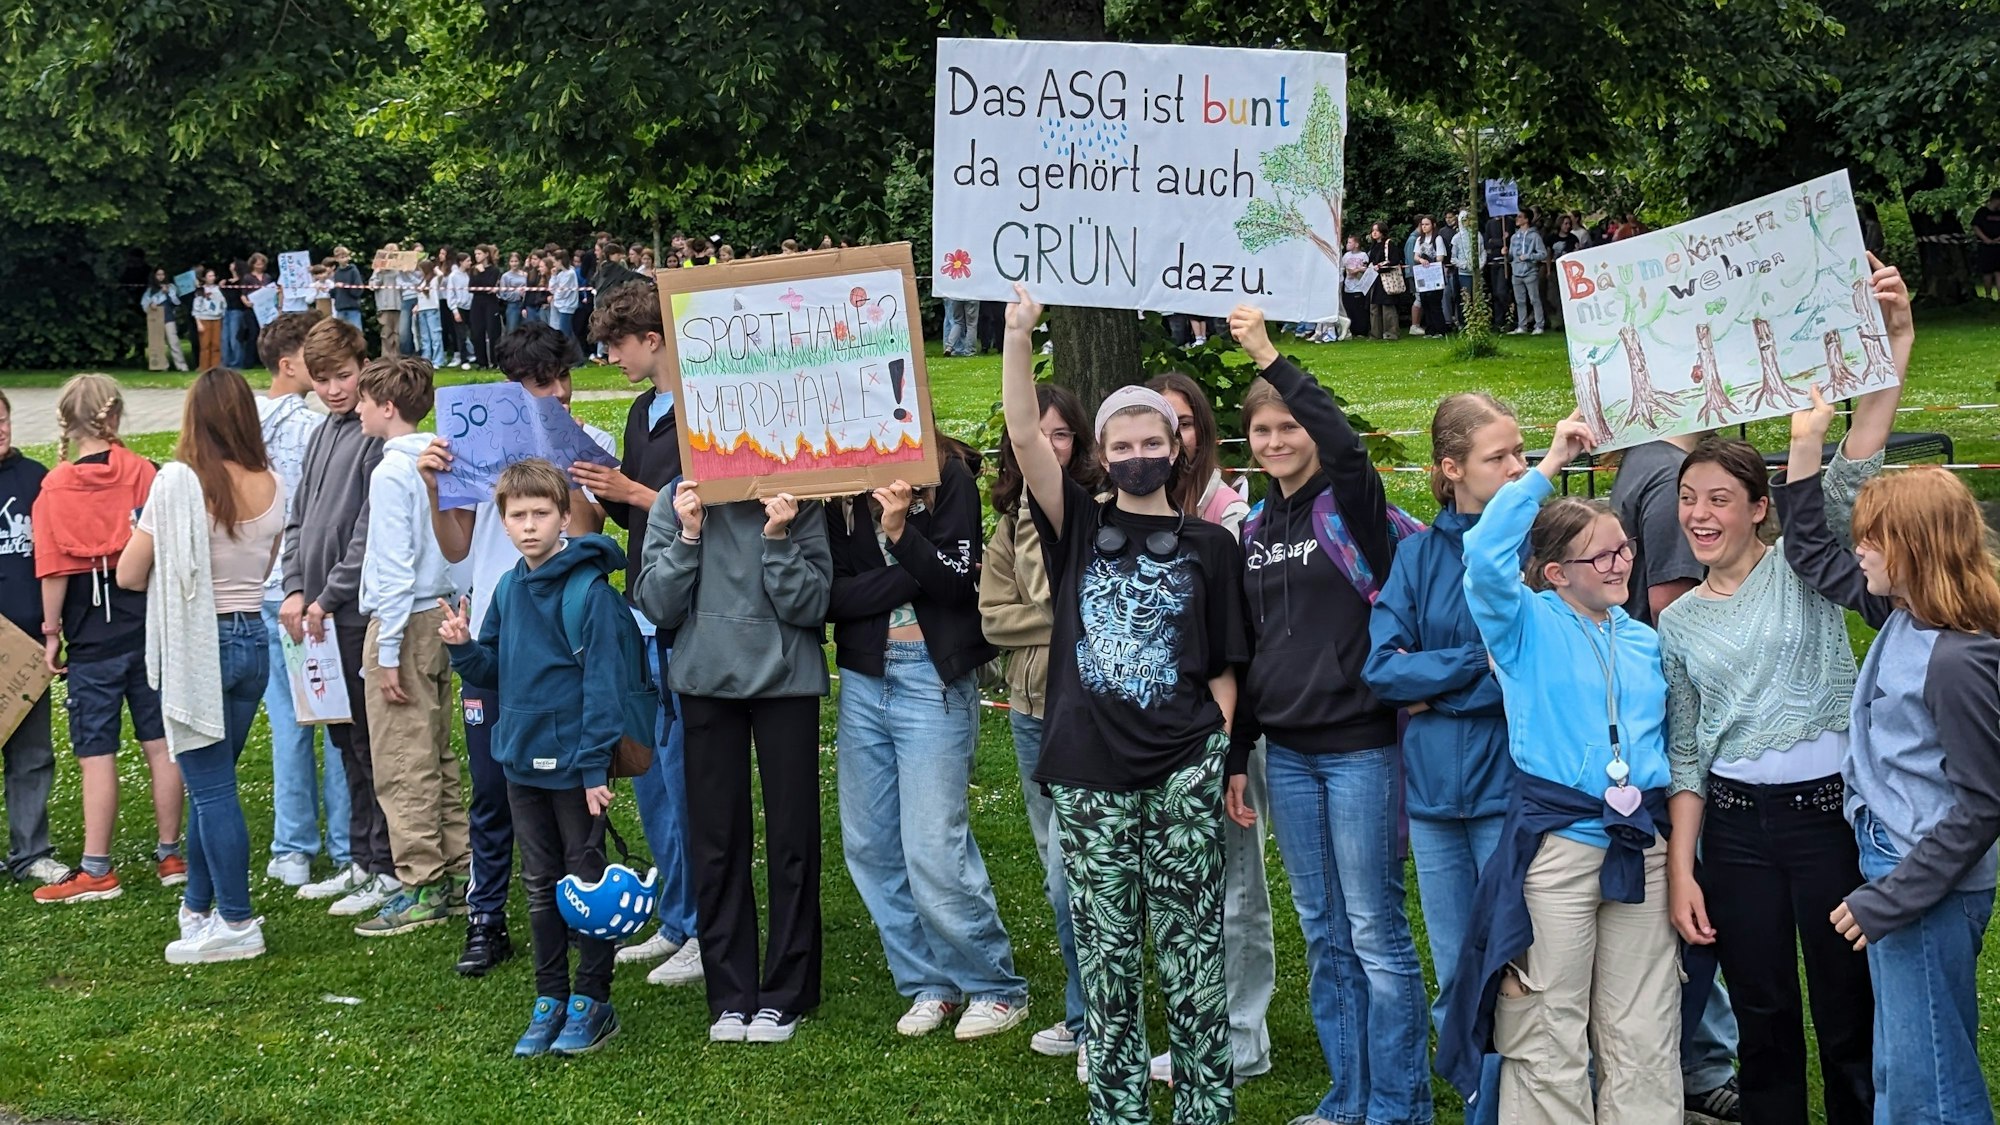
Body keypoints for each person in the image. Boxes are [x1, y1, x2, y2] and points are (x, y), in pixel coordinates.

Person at [1003, 283, 1249, 1125]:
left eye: (1155, 437)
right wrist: (1015, 334)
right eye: (1124, 441)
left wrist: (1226, 757)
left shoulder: (1212, 547)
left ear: (1177, 447)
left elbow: (1225, 670)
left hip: (1184, 766)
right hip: (1089, 769)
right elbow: (1024, 437)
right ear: (1102, 454)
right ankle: (1118, 1109)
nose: (1140, 450)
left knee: (1193, 950)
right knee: (1108, 954)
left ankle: (1205, 1107)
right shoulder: (1074, 524)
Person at [1440, 413, 1681, 1124]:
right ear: (1554, 573)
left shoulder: (1641, 639)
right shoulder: (1524, 626)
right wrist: (1545, 466)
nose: (1619, 565)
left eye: (1623, 550)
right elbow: (1483, 555)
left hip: (1643, 845)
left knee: (1644, 1021)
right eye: (1600, 557)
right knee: (1548, 1022)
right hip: (1562, 845)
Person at [1774, 394, 2000, 1124]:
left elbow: (1984, 804)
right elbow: (1810, 553)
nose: (1860, 549)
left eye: (1873, 538)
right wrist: (1806, 447)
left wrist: (1891, 898)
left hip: (1921, 877)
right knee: (1906, 1063)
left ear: (1913, 548)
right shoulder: (1901, 611)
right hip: (1898, 864)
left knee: (1928, 1075)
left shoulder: (1957, 660)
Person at [1229, 306, 1431, 1125]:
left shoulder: (1348, 509)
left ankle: (1400, 1106)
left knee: (1375, 929)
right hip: (1289, 754)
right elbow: (1243, 653)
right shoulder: (1252, 529)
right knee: (1324, 931)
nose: (1277, 439)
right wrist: (1241, 753)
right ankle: (1348, 1100)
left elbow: (1347, 448)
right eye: (1262, 429)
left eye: (1288, 425)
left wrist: (1271, 357)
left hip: (1361, 749)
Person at [419, 321, 614, 977]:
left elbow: (588, 535)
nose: (554, 393)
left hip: (562, 643)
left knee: (572, 784)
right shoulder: (480, 453)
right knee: (492, 782)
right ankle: (486, 917)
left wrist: (562, 459)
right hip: (495, 637)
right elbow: (454, 546)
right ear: (509, 391)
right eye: (536, 386)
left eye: (560, 380)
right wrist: (432, 484)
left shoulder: (591, 446)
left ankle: (581, 908)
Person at [1363, 392, 1528, 1125]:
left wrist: (1438, 679)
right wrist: (1473, 665)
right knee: (1457, 968)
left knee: (1516, 965)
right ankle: (1477, 1105)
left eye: (1522, 452)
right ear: (1451, 468)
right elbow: (1382, 669)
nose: (1519, 467)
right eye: (1501, 457)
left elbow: (1534, 671)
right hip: (1432, 800)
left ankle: (1516, 1106)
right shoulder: (1419, 555)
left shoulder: (1537, 548)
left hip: (1510, 790)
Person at [826, 439, 1027, 1040]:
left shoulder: (946, 474)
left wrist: (898, 535)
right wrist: (909, 572)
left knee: (934, 847)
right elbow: (831, 598)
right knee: (870, 844)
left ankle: (993, 987)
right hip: (863, 679)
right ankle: (927, 983)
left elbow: (955, 588)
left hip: (929, 679)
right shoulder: (835, 476)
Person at [631, 471, 833, 1045]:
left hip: (785, 683)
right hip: (705, 681)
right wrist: (688, 536)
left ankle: (788, 989)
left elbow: (814, 602)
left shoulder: (799, 494)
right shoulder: (678, 496)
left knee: (793, 838)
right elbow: (657, 605)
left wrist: (777, 537)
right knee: (716, 839)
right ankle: (730, 992)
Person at [441, 459, 631, 1057]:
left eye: (540, 514)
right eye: (517, 516)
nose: (529, 526)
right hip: (520, 763)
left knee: (587, 883)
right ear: (502, 521)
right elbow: (495, 669)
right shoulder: (506, 588)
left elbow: (605, 689)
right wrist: (463, 649)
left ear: (563, 516)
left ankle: (592, 1000)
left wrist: (596, 769)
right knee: (539, 885)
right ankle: (549, 996)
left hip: (577, 769)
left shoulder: (590, 593)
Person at [117, 368, 281, 962]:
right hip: (251, 641)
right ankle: (197, 907)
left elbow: (129, 574)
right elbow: (261, 572)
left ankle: (237, 922)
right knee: (216, 786)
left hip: (200, 646)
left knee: (212, 792)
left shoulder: (179, 483)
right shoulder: (272, 483)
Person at [570, 283, 703, 987]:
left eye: (618, 343)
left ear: (653, 339)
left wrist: (633, 493)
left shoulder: (700, 410)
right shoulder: (637, 414)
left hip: (687, 616)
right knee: (651, 777)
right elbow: (637, 524)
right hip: (640, 615)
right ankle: (677, 917)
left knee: (685, 782)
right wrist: (604, 496)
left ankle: (705, 925)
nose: (611, 356)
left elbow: (701, 514)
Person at [1148, 370, 1273, 1085]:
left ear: (1201, 431)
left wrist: (1228, 741)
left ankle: (1242, 1036)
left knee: (1234, 883)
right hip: (1156, 729)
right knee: (1181, 886)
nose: (1173, 435)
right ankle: (1202, 1025)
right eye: (1159, 422)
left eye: (1185, 421)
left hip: (1223, 725)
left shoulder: (1230, 512)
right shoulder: (1132, 511)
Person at [979, 382, 1103, 1062]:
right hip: (1029, 711)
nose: (1051, 445)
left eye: (1062, 435)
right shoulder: (1007, 522)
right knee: (1057, 865)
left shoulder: (1097, 514)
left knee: (1071, 870)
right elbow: (993, 616)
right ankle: (1084, 1012)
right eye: (1039, 433)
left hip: (1087, 712)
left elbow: (1079, 600)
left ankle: (1098, 1017)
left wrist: (1054, 615)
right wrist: (1059, 619)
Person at [31, 374, 185, 903]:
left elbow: (51, 570)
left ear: (68, 424)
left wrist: (51, 634)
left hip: (90, 638)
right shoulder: (145, 474)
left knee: (97, 753)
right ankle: (171, 854)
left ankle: (97, 868)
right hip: (146, 627)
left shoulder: (52, 488)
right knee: (161, 744)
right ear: (114, 417)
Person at [348, 356, 468, 938]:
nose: (358, 407)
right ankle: (460, 868)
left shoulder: (391, 471)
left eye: (366, 400)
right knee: (437, 753)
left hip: (405, 620)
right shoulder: (441, 460)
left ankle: (422, 883)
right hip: (442, 614)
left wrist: (387, 648)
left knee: (401, 758)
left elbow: (394, 567)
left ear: (388, 407)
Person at [280, 318, 397, 915]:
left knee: (371, 744)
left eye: (343, 377)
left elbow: (366, 531)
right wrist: (296, 589)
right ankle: (360, 858)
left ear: (363, 366)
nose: (332, 389)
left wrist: (328, 596)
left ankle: (385, 863)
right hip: (318, 614)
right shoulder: (323, 432)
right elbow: (299, 516)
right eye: (322, 380)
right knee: (342, 741)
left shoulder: (376, 432)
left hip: (353, 613)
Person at [254, 313, 346, 890]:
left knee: (289, 723)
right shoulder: (314, 428)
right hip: (315, 590)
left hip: (266, 588)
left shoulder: (237, 425)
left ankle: (292, 846)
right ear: (293, 365)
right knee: (333, 716)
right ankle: (344, 841)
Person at [0, 391, 64, 887]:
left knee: (32, 753)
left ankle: (31, 851)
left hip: (27, 646)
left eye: (3, 421)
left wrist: (52, 631)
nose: (1, 430)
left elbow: (55, 558)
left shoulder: (35, 479)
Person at [1508, 213, 1548, 334]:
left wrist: (1529, 256)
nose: (1517, 219)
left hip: (1530, 272)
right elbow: (1511, 256)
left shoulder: (1535, 236)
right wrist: (1505, 254)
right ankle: (1522, 326)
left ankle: (1539, 326)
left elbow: (1543, 254)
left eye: (1520, 217)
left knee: (1534, 299)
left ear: (1526, 219)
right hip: (1516, 272)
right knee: (1519, 301)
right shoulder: (1514, 237)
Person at [142, 270, 188, 372]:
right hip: (156, 317)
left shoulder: (171, 287)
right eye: (158, 275)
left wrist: (169, 294)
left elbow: (177, 302)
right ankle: (162, 366)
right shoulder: (150, 290)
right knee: (158, 343)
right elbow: (144, 304)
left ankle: (181, 366)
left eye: (162, 274)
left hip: (169, 317)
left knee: (174, 342)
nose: (161, 277)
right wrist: (151, 304)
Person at [1411, 215, 1449, 337]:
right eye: (1422, 224)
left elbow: (1440, 257)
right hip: (1423, 273)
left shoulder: (1437, 239)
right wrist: (1421, 260)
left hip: (1434, 273)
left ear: (1433, 225)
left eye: (1427, 224)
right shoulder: (1419, 240)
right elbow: (1415, 256)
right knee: (1425, 301)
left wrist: (1430, 260)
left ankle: (1440, 329)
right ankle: (1430, 329)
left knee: (1435, 302)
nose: (1424, 227)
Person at [469, 245, 504, 369]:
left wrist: (482, 273)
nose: (477, 256)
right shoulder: (473, 269)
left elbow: (489, 285)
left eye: (479, 253)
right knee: (477, 332)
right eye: (476, 254)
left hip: (490, 303)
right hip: (477, 303)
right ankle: (481, 362)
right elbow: (472, 287)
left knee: (493, 331)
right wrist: (478, 275)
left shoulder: (494, 270)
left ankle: (495, 362)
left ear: (486, 254)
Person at [1367, 221, 1402, 340]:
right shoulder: (1373, 246)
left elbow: (1395, 260)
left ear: (1382, 231)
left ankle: (1391, 333)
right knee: (1374, 306)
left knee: (1387, 306)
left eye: (1377, 230)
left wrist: (1380, 267)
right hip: (1375, 279)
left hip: (1386, 279)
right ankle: (1375, 333)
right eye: (1373, 230)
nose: (1374, 233)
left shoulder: (1389, 244)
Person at [371, 247, 404, 358]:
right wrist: (379, 272)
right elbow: (373, 286)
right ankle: (386, 358)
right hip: (385, 306)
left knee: (398, 333)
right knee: (386, 333)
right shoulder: (379, 270)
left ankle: (397, 357)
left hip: (399, 304)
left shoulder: (400, 269)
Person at [410, 260, 444, 367]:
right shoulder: (422, 281)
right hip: (422, 310)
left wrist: (435, 268)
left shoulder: (434, 280)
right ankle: (426, 359)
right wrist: (417, 306)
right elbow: (421, 297)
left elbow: (441, 275)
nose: (420, 272)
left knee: (435, 336)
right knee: (425, 337)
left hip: (432, 309)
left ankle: (438, 360)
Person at [1338, 235, 1372, 342]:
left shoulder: (1363, 255)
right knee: (1349, 309)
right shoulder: (1346, 256)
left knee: (1360, 310)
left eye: (1350, 243)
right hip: (1348, 287)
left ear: (1356, 244)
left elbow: (1365, 269)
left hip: (1359, 287)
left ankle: (1361, 331)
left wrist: (1356, 270)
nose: (1348, 245)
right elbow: (1342, 269)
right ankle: (1351, 329)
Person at [445, 252, 474, 369]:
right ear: (461, 262)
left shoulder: (469, 274)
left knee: (473, 333)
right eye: (468, 261)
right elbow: (450, 294)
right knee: (461, 335)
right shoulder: (453, 276)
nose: (470, 263)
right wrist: (454, 310)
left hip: (470, 307)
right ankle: (463, 360)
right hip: (459, 308)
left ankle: (473, 355)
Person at [193, 270, 226, 371]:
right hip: (204, 319)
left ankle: (215, 367)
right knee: (205, 345)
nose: (212, 278)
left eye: (213, 275)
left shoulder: (219, 289)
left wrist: (221, 314)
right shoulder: (200, 291)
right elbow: (196, 308)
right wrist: (198, 323)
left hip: (217, 319)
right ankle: (204, 367)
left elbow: (223, 304)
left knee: (216, 344)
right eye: (209, 276)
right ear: (204, 278)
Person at [330, 246, 367, 331]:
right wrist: (330, 289)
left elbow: (358, 290)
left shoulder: (353, 271)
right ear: (336, 259)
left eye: (346, 256)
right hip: (340, 308)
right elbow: (334, 293)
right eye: (342, 257)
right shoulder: (336, 273)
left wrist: (345, 286)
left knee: (356, 333)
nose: (345, 259)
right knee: (341, 334)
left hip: (352, 307)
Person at [1973, 189, 2000, 302]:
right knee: (1987, 271)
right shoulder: (1982, 212)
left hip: (1999, 246)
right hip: (1985, 246)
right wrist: (1986, 239)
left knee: (1999, 271)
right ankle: (1988, 296)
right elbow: (1975, 226)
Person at [499, 252, 528, 334]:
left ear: (519, 262)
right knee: (512, 331)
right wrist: (517, 293)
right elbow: (503, 294)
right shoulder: (505, 276)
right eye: (512, 261)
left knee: (525, 330)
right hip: (512, 305)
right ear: (509, 262)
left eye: (516, 261)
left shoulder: (525, 274)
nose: (514, 263)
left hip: (524, 304)